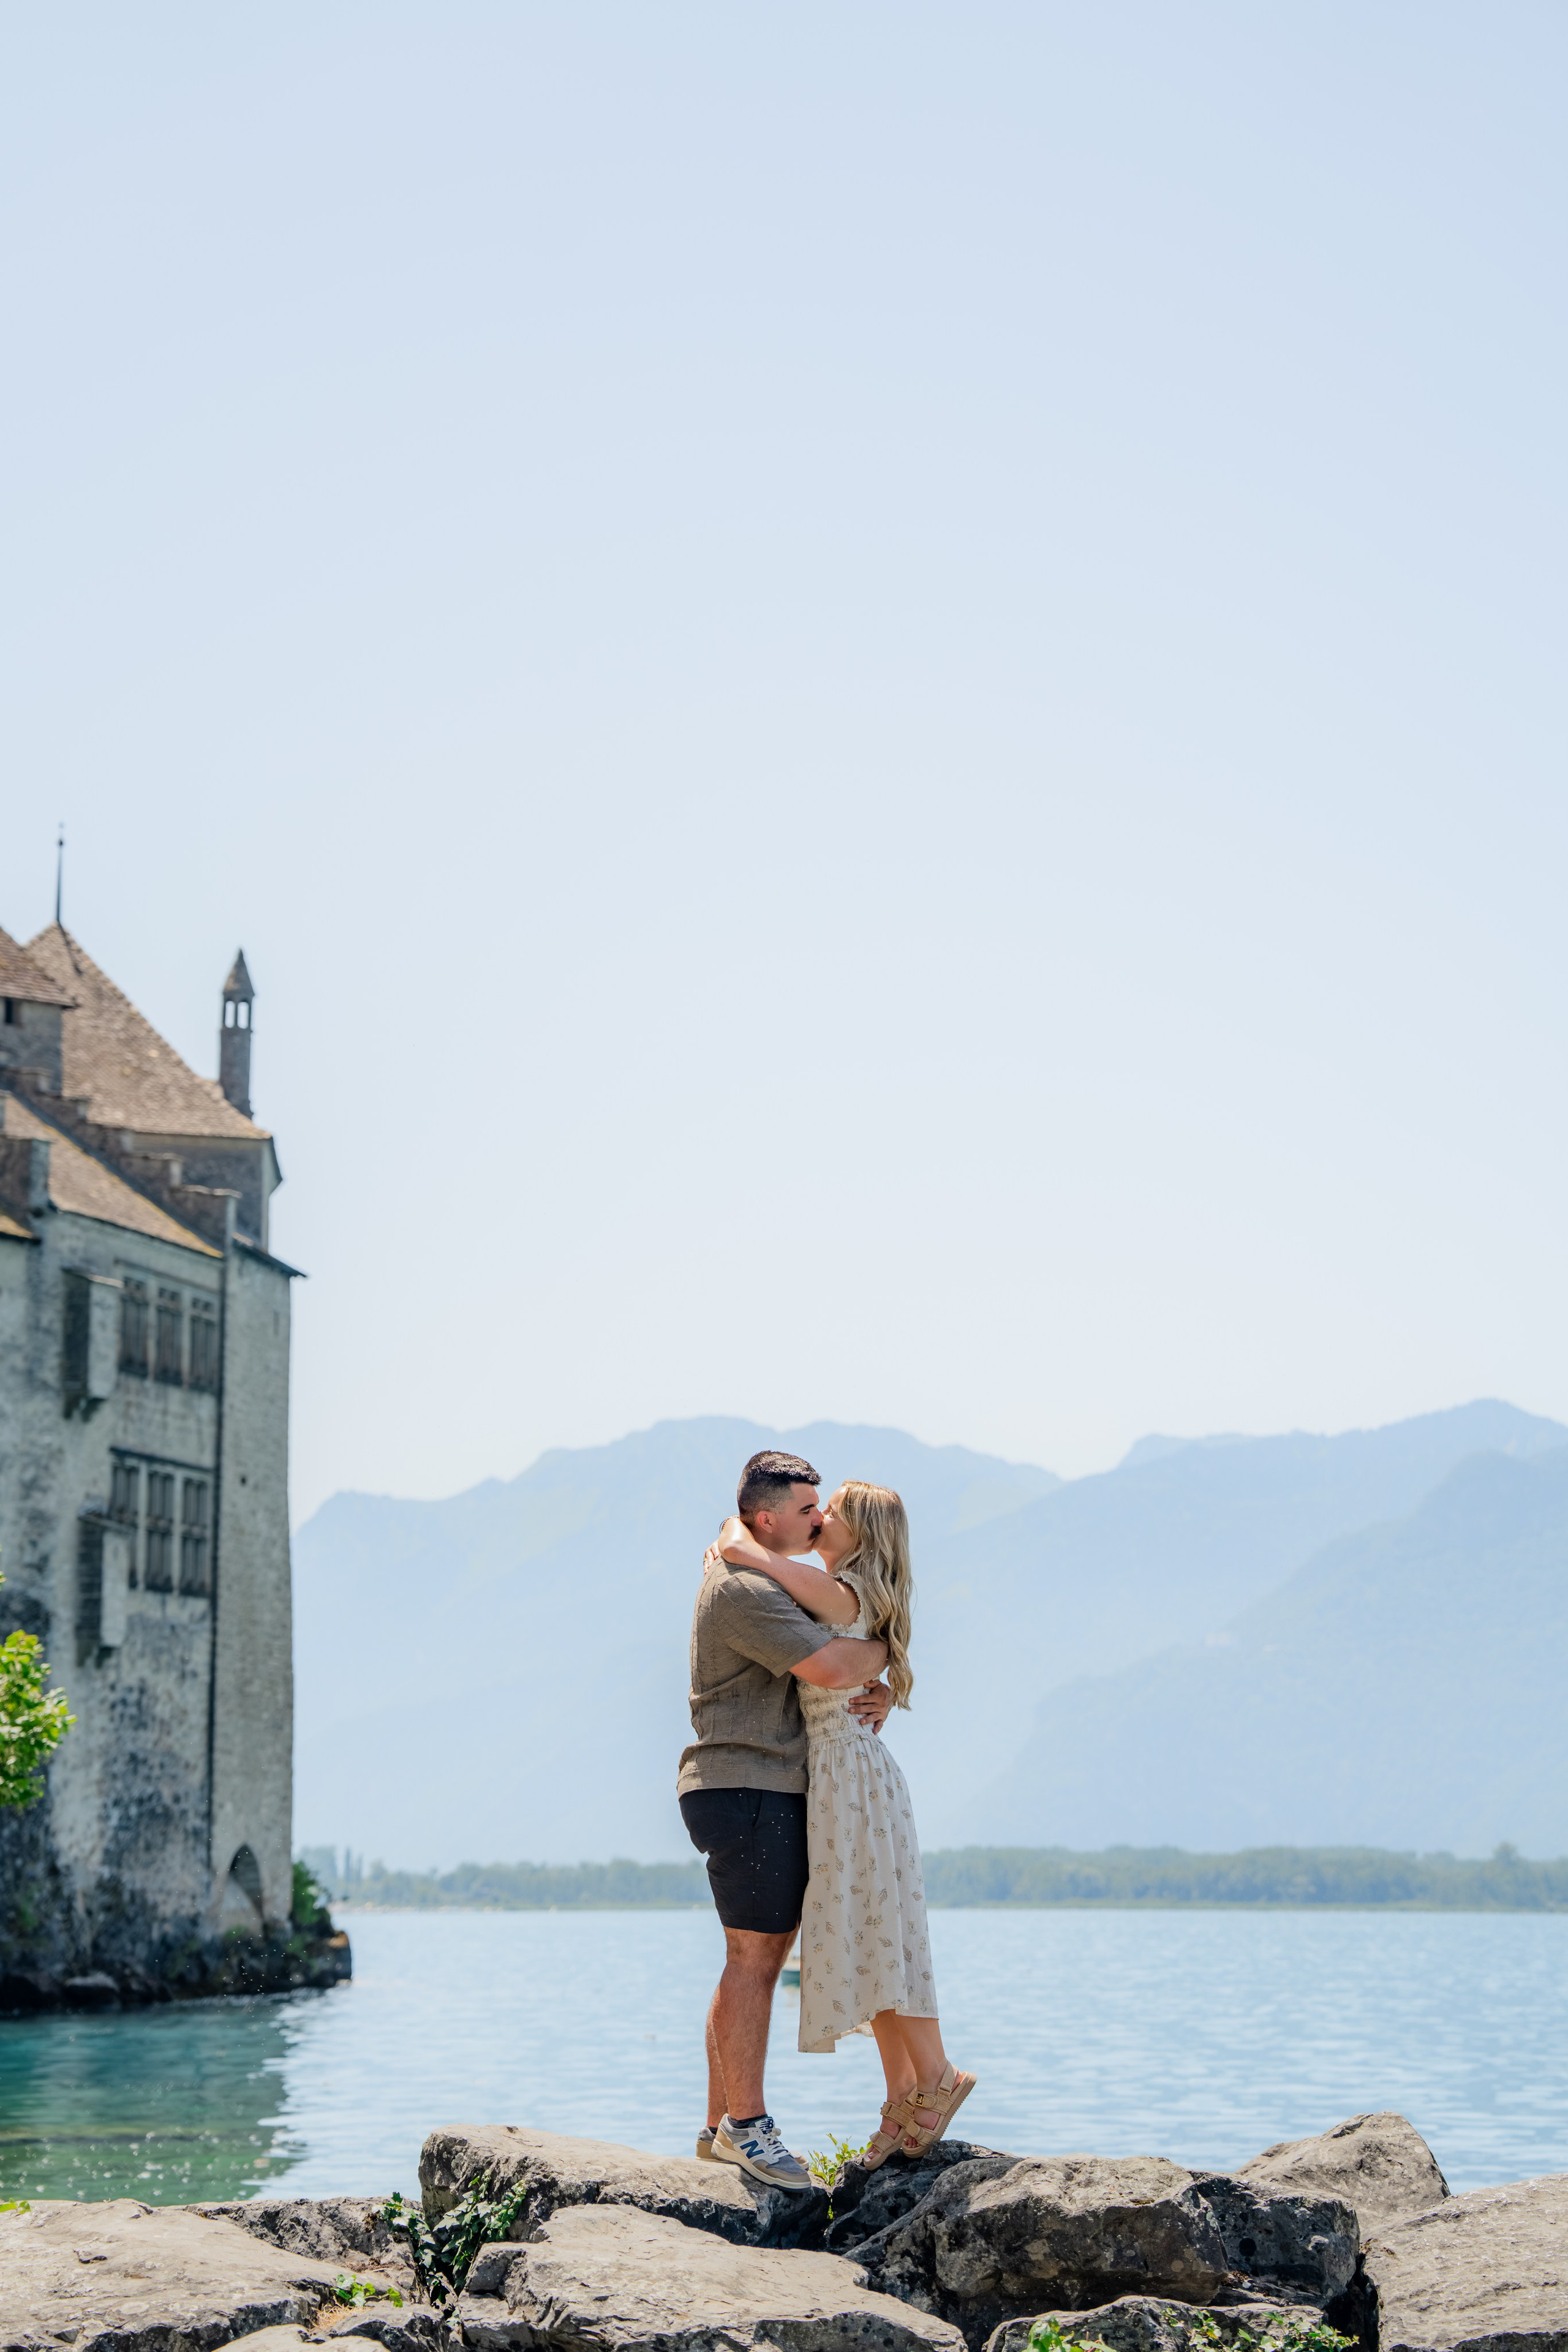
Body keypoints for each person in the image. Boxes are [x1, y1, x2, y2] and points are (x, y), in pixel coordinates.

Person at [712, 1477, 976, 2169]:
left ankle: (937, 2076)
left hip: (850, 1777)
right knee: (869, 1928)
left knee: (877, 1927)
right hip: (840, 1775)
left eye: (832, 1511)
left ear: (861, 1533)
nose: (819, 1517)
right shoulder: (851, 1592)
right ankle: (903, 2096)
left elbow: (761, 1560)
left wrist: (732, 1542)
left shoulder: (841, 1591)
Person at [677, 1449, 894, 2191]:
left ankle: (718, 2127)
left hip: (750, 1786)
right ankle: (747, 2128)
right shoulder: (744, 1590)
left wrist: (887, 1683)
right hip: (750, 1785)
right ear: (766, 1518)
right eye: (807, 1510)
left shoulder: (765, 1576)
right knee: (755, 1961)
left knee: (749, 1958)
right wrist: (891, 1651)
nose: (819, 1518)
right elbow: (835, 1669)